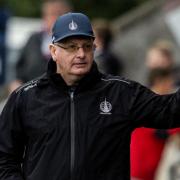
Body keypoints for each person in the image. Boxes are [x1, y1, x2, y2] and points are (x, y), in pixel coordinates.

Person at [1, 12, 180, 180]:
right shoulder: (25, 97)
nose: (81, 54)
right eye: (71, 47)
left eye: (87, 46)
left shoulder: (120, 92)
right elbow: (4, 157)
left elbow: (171, 111)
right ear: (53, 51)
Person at [131, 68, 180, 180]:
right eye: (169, 81)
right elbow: (162, 133)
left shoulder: (166, 105)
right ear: (159, 81)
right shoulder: (144, 101)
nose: (171, 85)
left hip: (157, 171)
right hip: (139, 171)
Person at [15, 0, 72, 84]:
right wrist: (16, 82)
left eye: (59, 14)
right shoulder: (33, 38)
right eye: (51, 14)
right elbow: (19, 68)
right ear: (44, 17)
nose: (56, 18)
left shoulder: (75, 42)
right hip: (30, 90)